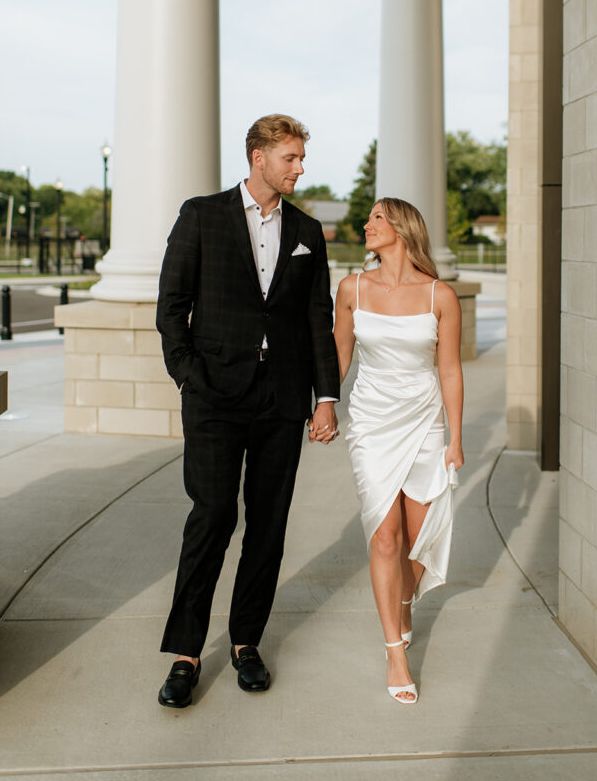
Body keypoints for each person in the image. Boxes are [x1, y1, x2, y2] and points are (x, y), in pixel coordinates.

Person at [156, 114, 340, 709]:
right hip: (214, 394)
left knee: (269, 522)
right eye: (290, 157)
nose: (299, 167)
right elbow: (171, 306)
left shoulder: (309, 229)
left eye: (301, 157)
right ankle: (186, 652)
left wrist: (326, 398)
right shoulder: (201, 215)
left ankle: (245, 643)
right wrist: (189, 375)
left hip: (281, 399)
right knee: (211, 515)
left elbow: (318, 320)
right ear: (259, 157)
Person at [333, 198, 464, 705]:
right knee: (384, 537)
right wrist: (322, 406)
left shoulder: (439, 295)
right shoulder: (352, 288)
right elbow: (340, 355)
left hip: (426, 422)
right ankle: (395, 652)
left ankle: (404, 598)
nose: (366, 226)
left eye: (376, 219)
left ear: (402, 229)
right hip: (371, 422)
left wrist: (455, 437)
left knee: (417, 536)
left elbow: (449, 369)